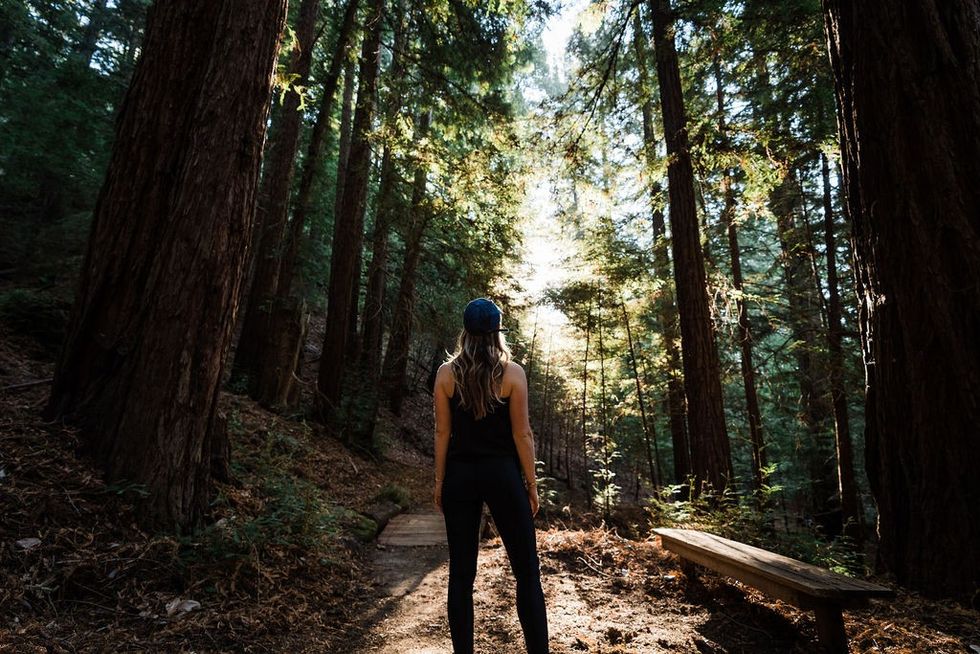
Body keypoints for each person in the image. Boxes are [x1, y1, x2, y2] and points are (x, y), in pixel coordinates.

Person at [432, 297, 550, 654]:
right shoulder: (512, 373)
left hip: (461, 477)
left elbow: (442, 433)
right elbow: (522, 434)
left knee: (461, 575)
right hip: (503, 475)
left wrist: (439, 483)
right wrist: (531, 485)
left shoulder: (446, 374)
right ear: (497, 331)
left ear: (465, 332)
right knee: (527, 573)